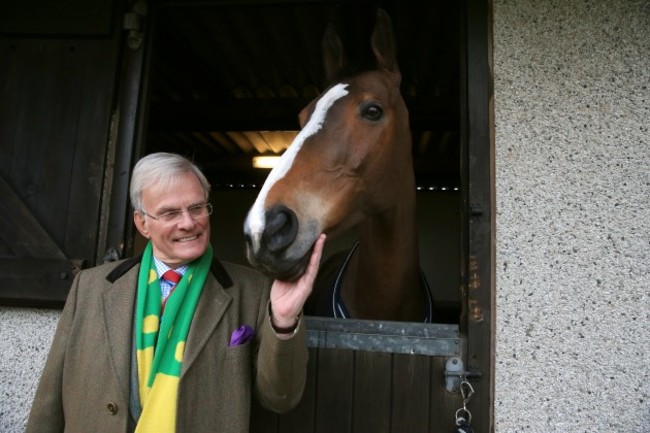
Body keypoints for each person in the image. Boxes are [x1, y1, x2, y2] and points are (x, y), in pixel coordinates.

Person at [25, 152, 326, 433]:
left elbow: (280, 398)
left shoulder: (254, 290)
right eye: (170, 213)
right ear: (143, 223)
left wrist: (284, 322)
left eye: (197, 207)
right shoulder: (90, 288)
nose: (188, 223)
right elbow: (50, 396)